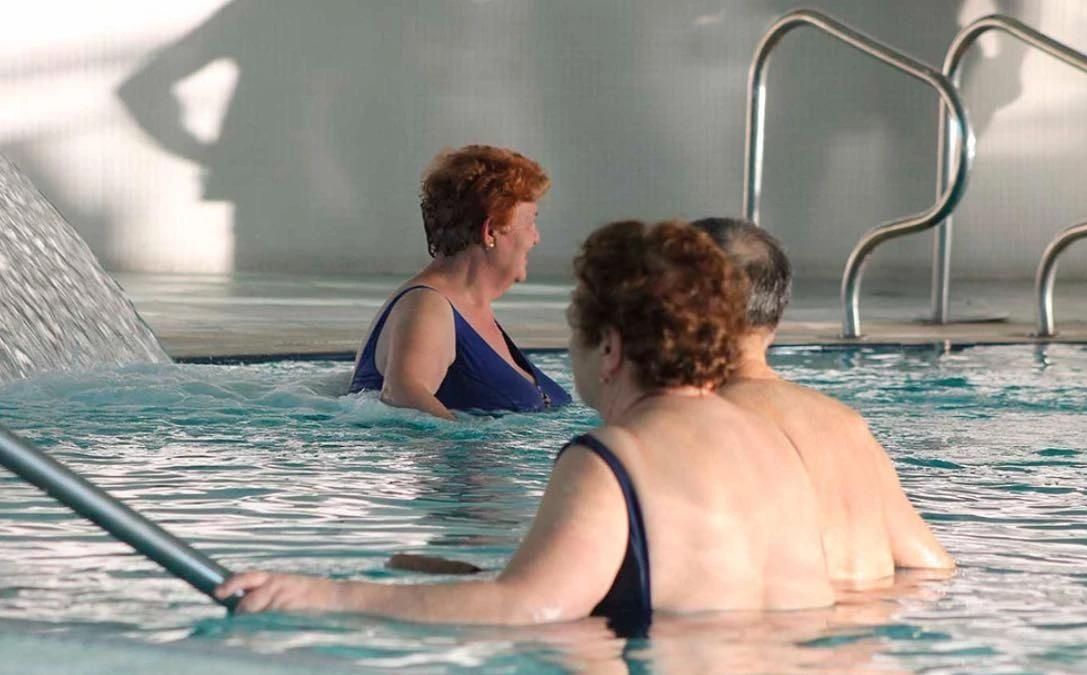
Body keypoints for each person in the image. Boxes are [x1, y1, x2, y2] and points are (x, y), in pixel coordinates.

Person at [219, 220, 835, 636]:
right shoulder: (775, 447)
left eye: (574, 336)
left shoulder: (615, 457)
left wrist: (328, 595)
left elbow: (526, 607)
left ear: (610, 349)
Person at [693, 217, 954, 582]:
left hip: (777, 629)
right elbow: (930, 564)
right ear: (776, 313)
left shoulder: (698, 424)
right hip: (868, 631)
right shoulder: (846, 424)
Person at [347, 145, 571, 418]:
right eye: (530, 223)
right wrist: (467, 440)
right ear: (490, 231)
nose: (536, 238)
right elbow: (402, 396)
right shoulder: (427, 306)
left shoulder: (465, 309)